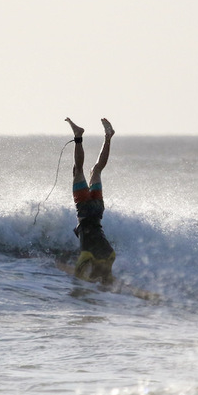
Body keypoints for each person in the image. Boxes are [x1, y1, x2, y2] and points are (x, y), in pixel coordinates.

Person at [66, 116, 116, 283]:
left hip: (94, 209)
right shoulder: (85, 187)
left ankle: (78, 136)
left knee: (80, 168)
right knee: (96, 170)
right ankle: (107, 138)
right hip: (94, 210)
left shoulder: (77, 179)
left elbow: (77, 168)